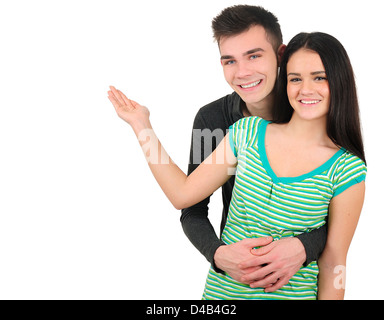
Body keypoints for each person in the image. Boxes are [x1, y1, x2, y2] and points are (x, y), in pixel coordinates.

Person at [107, 30, 366, 299]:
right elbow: (182, 195)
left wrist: (305, 246)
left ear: (339, 82)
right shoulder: (246, 132)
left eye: (320, 77)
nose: (306, 89)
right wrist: (142, 126)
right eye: (295, 79)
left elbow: (334, 261)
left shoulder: (347, 169)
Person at [181, 5, 327, 291]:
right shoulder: (211, 120)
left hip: (301, 287)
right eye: (229, 61)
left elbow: (343, 209)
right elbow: (192, 209)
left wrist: (302, 247)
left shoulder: (313, 108)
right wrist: (218, 254)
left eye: (254, 56)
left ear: (281, 55)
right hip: (233, 286)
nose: (242, 72)